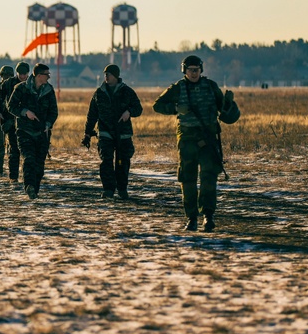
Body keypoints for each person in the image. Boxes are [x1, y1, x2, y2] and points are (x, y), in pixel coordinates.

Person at [152, 55, 240, 232]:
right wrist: (176, 108)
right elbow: (158, 105)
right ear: (184, 70)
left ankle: (208, 216)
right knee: (188, 179)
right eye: (190, 70)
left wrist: (229, 104)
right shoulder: (178, 88)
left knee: (209, 178)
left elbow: (226, 113)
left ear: (201, 70)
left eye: (196, 70)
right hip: (187, 140)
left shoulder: (210, 86)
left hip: (208, 138)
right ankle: (191, 218)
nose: (193, 73)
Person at [82, 64, 143, 200]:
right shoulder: (99, 93)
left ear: (115, 76)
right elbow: (92, 114)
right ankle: (108, 189)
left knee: (123, 162)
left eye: (108, 74)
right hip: (105, 132)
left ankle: (122, 189)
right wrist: (87, 132)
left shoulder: (127, 91)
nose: (106, 77)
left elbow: (138, 108)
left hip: (123, 133)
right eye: (105, 74)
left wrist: (129, 112)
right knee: (106, 161)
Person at [6, 64, 57, 199]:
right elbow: (11, 106)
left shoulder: (49, 90)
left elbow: (54, 111)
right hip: (25, 131)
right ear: (39, 75)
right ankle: (29, 186)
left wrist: (48, 124)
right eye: (47, 74)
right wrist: (25, 112)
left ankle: (35, 188)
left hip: (42, 132)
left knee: (39, 163)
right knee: (29, 159)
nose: (48, 77)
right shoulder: (21, 89)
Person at [0, 61, 30, 184]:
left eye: (24, 74)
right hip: (12, 122)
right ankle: (13, 177)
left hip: (28, 123)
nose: (22, 76)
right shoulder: (8, 84)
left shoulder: (32, 84)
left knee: (28, 152)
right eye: (20, 74)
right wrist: (0, 113)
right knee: (14, 151)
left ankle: (29, 178)